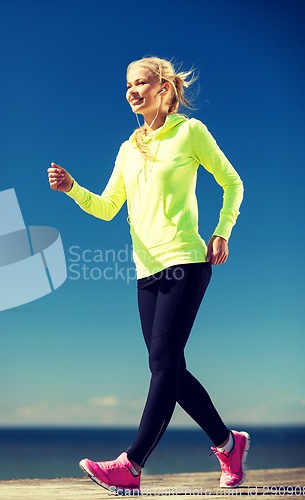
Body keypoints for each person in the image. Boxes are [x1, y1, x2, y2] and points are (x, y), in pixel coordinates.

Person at [47, 56, 247, 493]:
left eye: (141, 82)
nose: (133, 90)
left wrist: (222, 231)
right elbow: (106, 208)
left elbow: (233, 182)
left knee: (161, 363)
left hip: (186, 261)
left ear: (164, 88)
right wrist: (72, 189)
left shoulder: (190, 132)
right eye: (127, 85)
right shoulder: (127, 148)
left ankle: (131, 465)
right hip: (146, 270)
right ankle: (228, 444)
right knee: (169, 367)